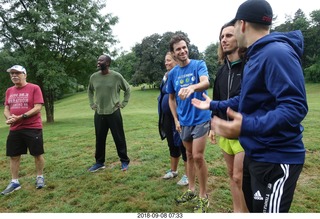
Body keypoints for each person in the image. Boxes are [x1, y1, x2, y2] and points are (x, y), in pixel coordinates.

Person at [191, 0, 308, 213]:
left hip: (277, 158)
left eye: (233, 27)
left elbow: (295, 107)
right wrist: (213, 105)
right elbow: (247, 98)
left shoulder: (276, 53)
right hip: (257, 153)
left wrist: (247, 126)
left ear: (242, 24)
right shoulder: (256, 55)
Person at [166, 34, 211, 213]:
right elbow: (171, 98)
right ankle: (191, 189)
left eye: (184, 47)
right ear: (173, 53)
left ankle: (203, 195)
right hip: (184, 121)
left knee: (198, 156)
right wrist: (176, 119)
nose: (182, 51)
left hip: (200, 117)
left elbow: (206, 82)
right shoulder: (173, 74)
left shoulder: (199, 64)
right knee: (189, 156)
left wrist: (192, 87)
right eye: (178, 49)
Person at [209, 22, 248, 212]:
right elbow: (216, 99)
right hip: (224, 130)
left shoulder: (249, 66)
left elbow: (241, 100)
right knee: (232, 174)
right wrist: (212, 126)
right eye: (222, 36)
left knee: (240, 177)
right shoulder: (221, 71)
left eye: (229, 35)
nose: (224, 39)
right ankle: (236, 211)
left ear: (240, 38)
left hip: (243, 130)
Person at [1, 65, 45, 195]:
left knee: (37, 154)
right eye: (12, 74)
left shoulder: (34, 88)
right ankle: (14, 182)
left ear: (24, 75)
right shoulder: (9, 90)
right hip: (15, 128)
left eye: (17, 73)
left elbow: (38, 107)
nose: (14, 75)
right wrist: (9, 118)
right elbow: (6, 108)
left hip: (32, 127)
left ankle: (40, 177)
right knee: (14, 156)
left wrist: (21, 117)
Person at [87, 54, 131, 172]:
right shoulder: (94, 77)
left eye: (100, 60)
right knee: (99, 139)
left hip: (114, 112)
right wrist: (92, 104)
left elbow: (127, 89)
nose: (98, 62)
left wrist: (123, 103)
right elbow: (90, 91)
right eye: (98, 60)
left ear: (107, 63)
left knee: (119, 138)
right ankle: (99, 162)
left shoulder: (116, 76)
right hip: (99, 113)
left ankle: (124, 161)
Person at [158, 52, 188, 186]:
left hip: (179, 117)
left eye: (169, 60)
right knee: (172, 143)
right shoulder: (166, 76)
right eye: (165, 60)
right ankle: (173, 170)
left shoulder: (179, 75)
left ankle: (188, 175)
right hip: (167, 117)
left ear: (176, 61)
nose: (166, 63)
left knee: (183, 145)